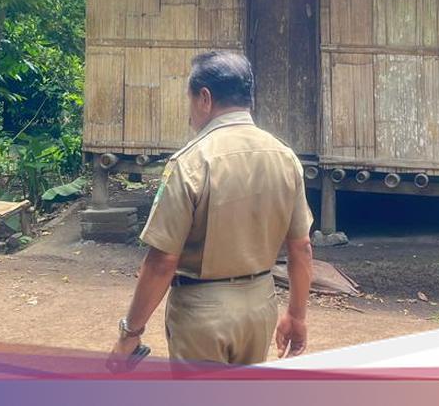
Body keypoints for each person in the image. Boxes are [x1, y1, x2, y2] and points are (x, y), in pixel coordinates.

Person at [108, 51, 314, 369]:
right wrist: (297, 315)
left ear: (205, 98)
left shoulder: (192, 161)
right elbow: (301, 246)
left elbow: (162, 261)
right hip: (261, 306)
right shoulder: (285, 157)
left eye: (189, 101)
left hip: (202, 313)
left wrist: (130, 332)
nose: (189, 115)